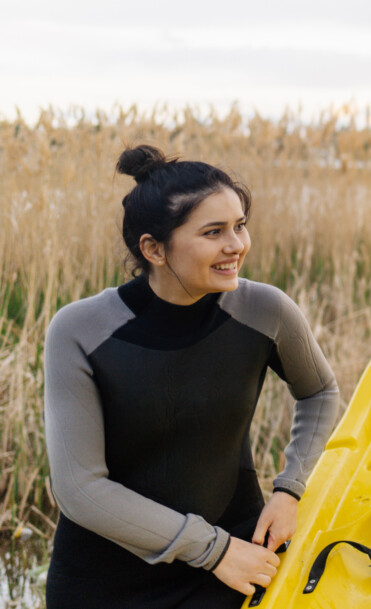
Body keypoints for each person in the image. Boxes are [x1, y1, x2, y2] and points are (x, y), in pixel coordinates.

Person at [43, 145, 340, 608]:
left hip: (235, 565)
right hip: (106, 582)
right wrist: (211, 549)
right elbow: (80, 489)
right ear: (154, 248)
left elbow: (320, 391)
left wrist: (290, 490)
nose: (236, 245)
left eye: (240, 225)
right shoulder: (80, 330)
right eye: (213, 232)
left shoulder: (266, 309)